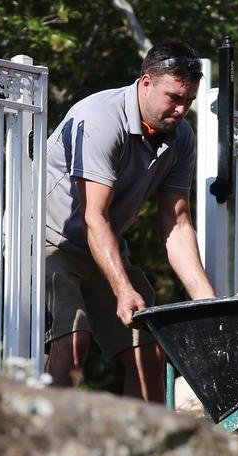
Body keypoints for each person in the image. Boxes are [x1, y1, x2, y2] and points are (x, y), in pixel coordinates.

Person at [44, 40, 216, 401]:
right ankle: (47, 450)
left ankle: (141, 454)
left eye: (189, 101)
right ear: (146, 82)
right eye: (174, 98)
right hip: (48, 241)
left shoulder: (181, 137)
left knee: (148, 356)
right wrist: (123, 290)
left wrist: (208, 305)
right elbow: (94, 215)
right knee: (73, 344)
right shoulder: (100, 119)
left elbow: (177, 223)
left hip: (104, 245)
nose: (182, 109)